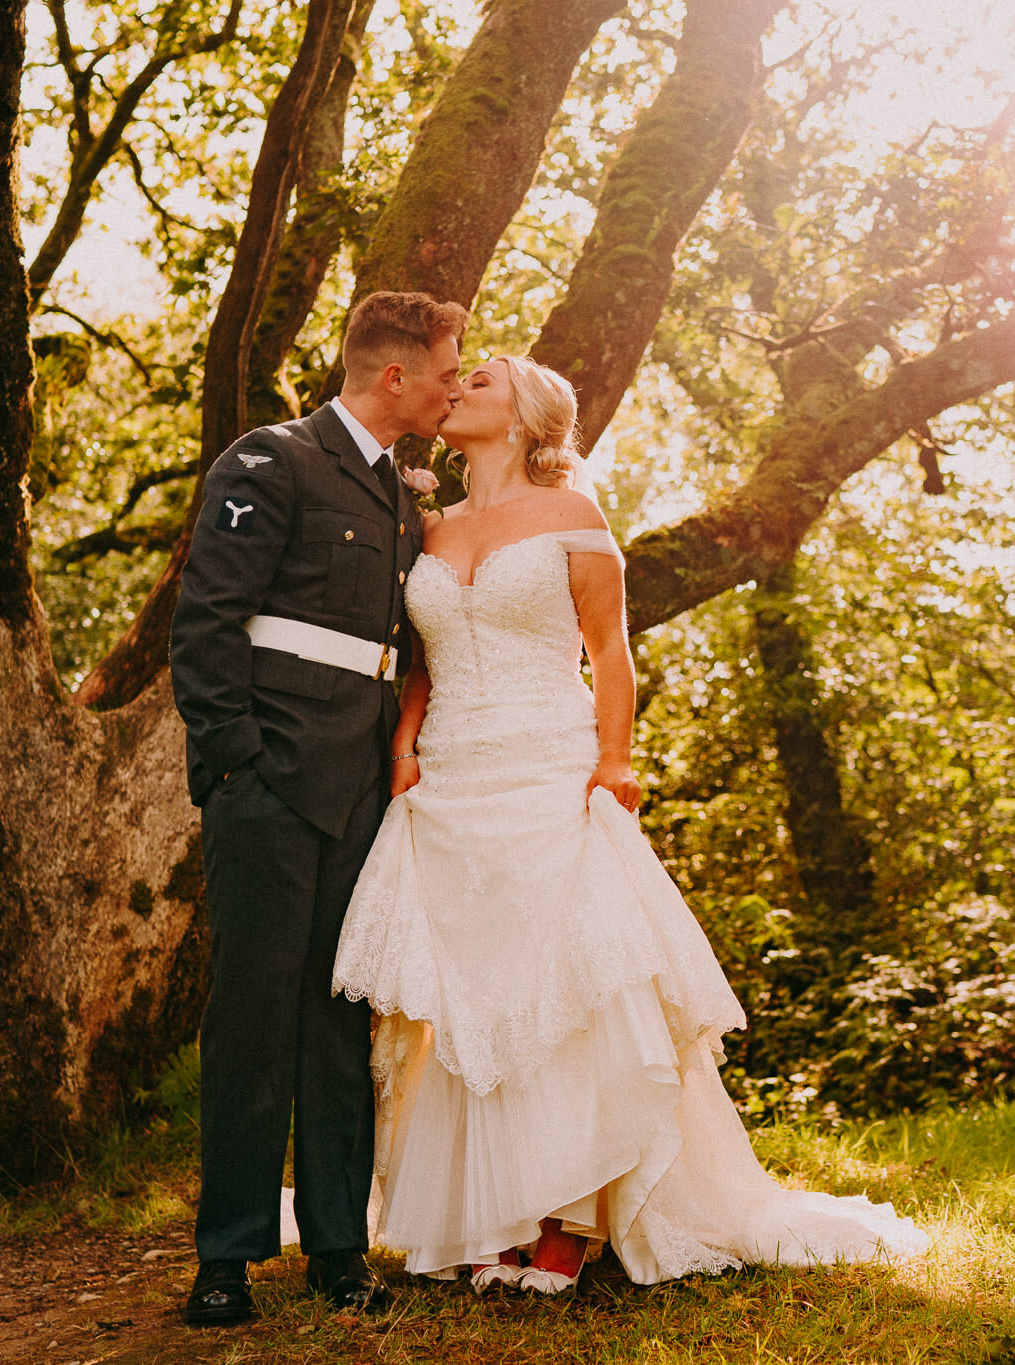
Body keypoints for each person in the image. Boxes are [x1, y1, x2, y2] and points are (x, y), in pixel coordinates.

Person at [331, 355, 929, 1292]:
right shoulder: (428, 528)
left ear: (528, 419)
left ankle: (570, 1226)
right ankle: (496, 1212)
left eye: (480, 381)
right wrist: (405, 745)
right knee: (475, 997)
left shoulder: (573, 518)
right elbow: (422, 661)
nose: (459, 391)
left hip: (551, 767)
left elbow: (609, 651)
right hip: (451, 776)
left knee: (571, 991)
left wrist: (616, 760)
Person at [167, 290, 467, 1324]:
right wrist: (231, 769)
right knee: (251, 1017)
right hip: (268, 783)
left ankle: (339, 1250)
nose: (450, 386)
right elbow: (206, 622)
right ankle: (225, 1259)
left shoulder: (395, 492)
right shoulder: (271, 460)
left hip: (359, 794)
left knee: (338, 1022)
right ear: (393, 375)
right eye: (443, 369)